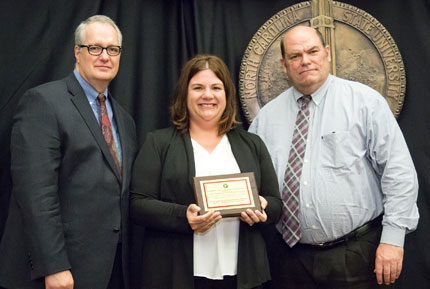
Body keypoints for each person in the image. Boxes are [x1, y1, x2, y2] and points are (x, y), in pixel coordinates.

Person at [248, 25, 419, 289]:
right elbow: (254, 183)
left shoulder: (365, 103)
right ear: (284, 65)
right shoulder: (266, 119)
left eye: (312, 51)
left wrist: (393, 239)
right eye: (295, 56)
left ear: (327, 53)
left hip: (356, 255)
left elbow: (399, 173)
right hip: (289, 260)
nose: (305, 60)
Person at [0, 15, 137, 289]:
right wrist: (55, 266)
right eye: (94, 48)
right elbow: (36, 194)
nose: (105, 56)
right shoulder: (44, 102)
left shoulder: (124, 119)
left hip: (109, 269)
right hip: (56, 273)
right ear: (77, 51)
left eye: (113, 49)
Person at [130, 54, 282, 289]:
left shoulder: (252, 144)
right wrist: (184, 216)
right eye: (198, 87)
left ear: (227, 94)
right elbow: (138, 204)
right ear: (185, 94)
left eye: (216, 87)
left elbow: (275, 205)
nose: (207, 95)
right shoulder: (159, 143)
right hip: (177, 274)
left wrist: (261, 207)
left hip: (242, 275)